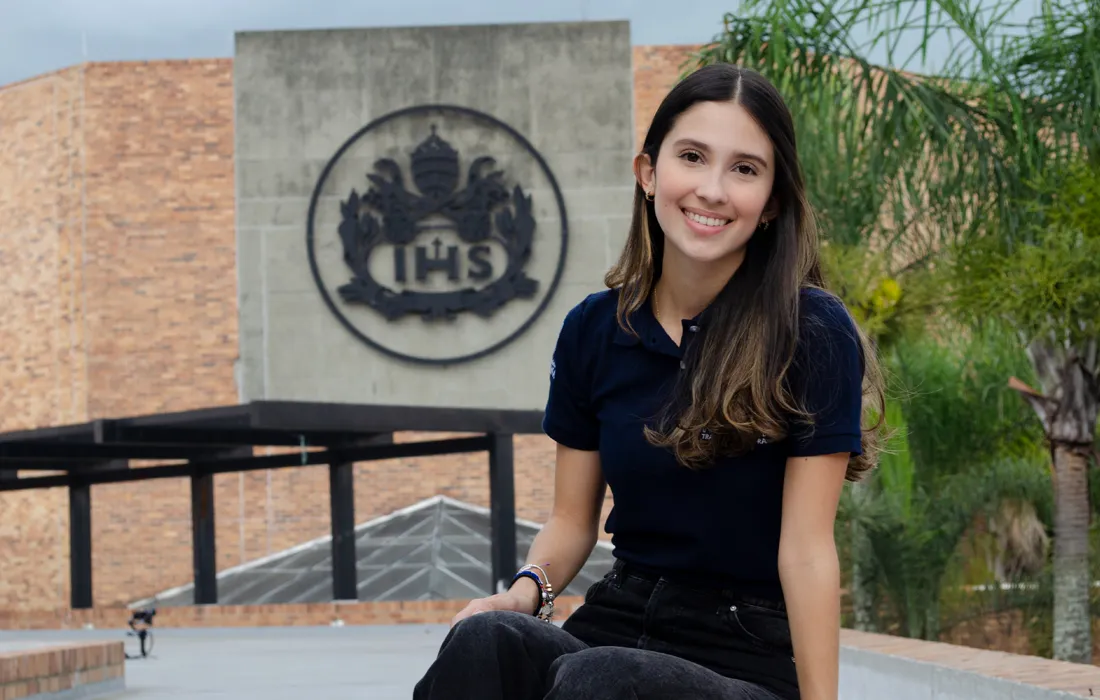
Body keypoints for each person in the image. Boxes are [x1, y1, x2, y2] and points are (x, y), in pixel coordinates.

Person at [413, 62, 886, 700]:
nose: (713, 189)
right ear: (649, 173)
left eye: (744, 169)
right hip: (618, 618)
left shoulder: (811, 330)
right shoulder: (593, 330)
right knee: (485, 639)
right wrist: (525, 592)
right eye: (692, 157)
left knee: (596, 678)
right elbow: (572, 519)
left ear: (771, 201)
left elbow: (806, 551)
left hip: (742, 649)